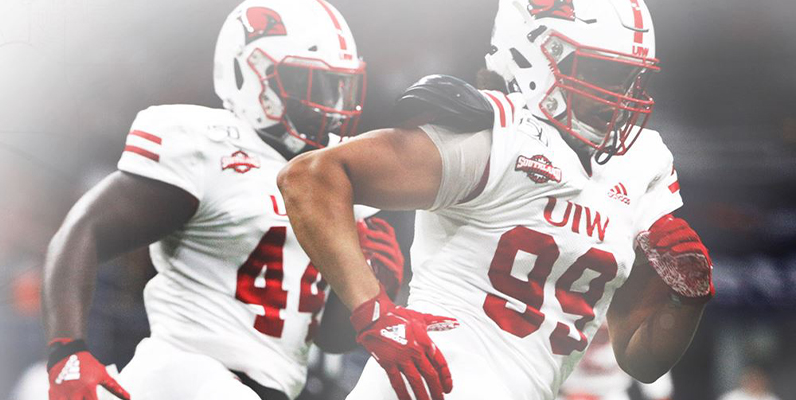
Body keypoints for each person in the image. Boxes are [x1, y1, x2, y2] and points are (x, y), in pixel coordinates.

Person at [278, 0, 714, 399]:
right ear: (533, 57)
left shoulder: (642, 163)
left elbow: (639, 361)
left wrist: (685, 300)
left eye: (630, 77)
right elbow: (310, 177)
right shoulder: (495, 137)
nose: (620, 96)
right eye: (601, 73)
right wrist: (375, 315)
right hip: (428, 385)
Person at [40, 1, 404, 399]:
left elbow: (330, 340)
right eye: (310, 84)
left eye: (338, 86)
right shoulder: (209, 147)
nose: (331, 103)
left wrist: (373, 287)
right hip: (184, 374)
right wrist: (67, 350)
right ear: (250, 76)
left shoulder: (337, 174)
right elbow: (85, 231)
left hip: (270, 387)